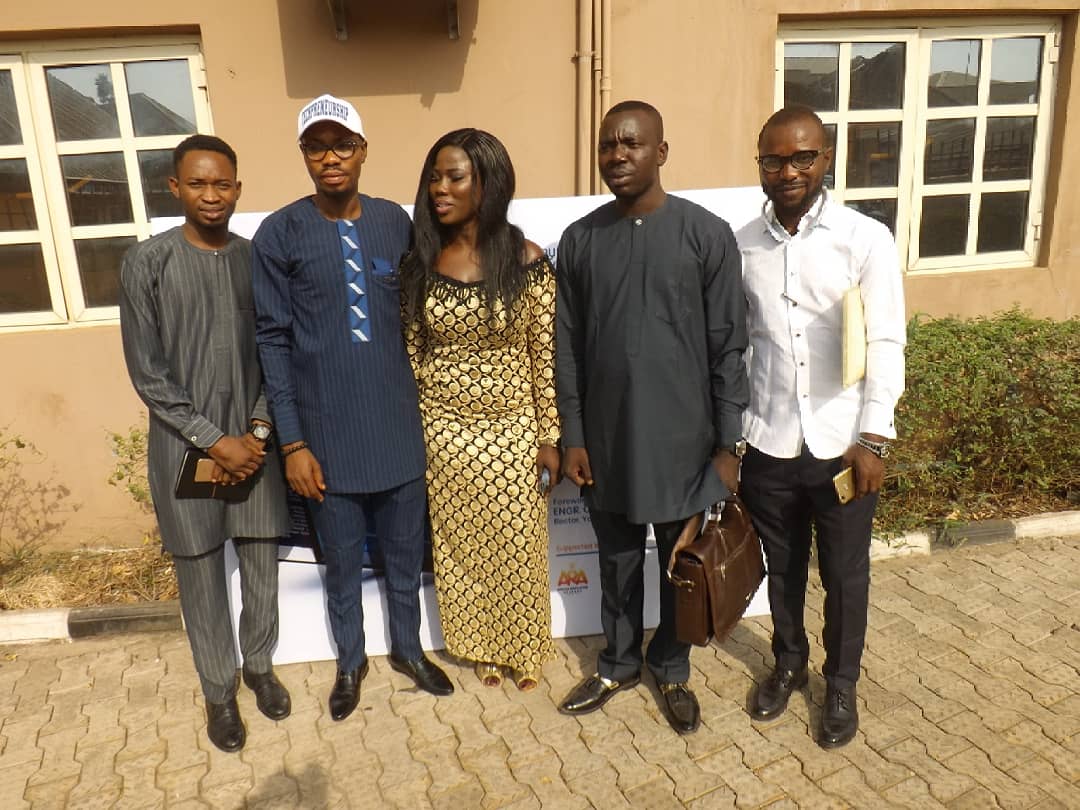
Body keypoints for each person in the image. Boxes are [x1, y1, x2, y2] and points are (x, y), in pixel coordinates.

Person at [251, 94, 453, 722]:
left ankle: (409, 651)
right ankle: (350, 661)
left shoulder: (396, 221)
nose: (330, 157)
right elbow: (272, 343)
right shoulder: (279, 233)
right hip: (325, 441)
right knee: (340, 560)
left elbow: (437, 299)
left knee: (402, 553)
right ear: (304, 155)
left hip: (398, 429)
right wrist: (293, 443)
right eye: (317, 146)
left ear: (363, 151)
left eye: (342, 144)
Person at [555, 101, 749, 734]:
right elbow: (568, 347)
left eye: (632, 144)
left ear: (661, 152)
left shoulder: (706, 234)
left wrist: (727, 444)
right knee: (614, 561)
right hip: (605, 443)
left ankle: (670, 666)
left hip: (684, 443)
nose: (617, 155)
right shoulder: (582, 240)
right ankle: (617, 662)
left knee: (679, 564)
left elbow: (729, 345)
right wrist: (576, 436)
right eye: (608, 144)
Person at [736, 106, 906, 749]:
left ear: (826, 158)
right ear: (760, 165)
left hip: (841, 444)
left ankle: (840, 682)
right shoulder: (742, 243)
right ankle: (787, 662)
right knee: (780, 567)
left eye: (802, 157)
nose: (788, 171)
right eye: (773, 160)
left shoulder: (864, 239)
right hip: (769, 440)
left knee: (844, 573)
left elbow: (887, 340)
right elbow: (741, 345)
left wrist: (872, 439)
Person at [119, 134, 291, 753]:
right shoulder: (147, 262)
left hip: (257, 444)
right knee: (201, 577)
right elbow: (148, 373)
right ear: (175, 188)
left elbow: (277, 357)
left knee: (261, 563)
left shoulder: (256, 260)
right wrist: (215, 441)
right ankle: (219, 693)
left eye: (223, 184)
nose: (211, 196)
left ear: (238, 189)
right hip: (184, 448)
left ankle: (260, 668)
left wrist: (259, 432)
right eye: (199, 184)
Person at [400, 128, 560, 691]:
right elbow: (414, 353)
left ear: (487, 184)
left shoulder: (528, 260)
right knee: (462, 549)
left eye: (455, 177)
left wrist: (550, 438)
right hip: (443, 435)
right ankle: (482, 648)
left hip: (513, 433)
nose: (440, 189)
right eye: (434, 177)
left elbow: (545, 357)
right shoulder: (420, 261)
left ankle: (524, 649)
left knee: (517, 546)